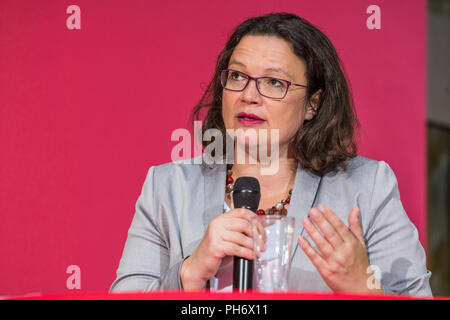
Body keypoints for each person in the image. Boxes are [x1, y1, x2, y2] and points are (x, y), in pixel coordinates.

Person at [110, 12, 432, 296]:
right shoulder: (167, 187)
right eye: (237, 76)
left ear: (313, 104)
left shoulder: (368, 186)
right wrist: (189, 272)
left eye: (274, 82)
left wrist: (363, 286)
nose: (249, 95)